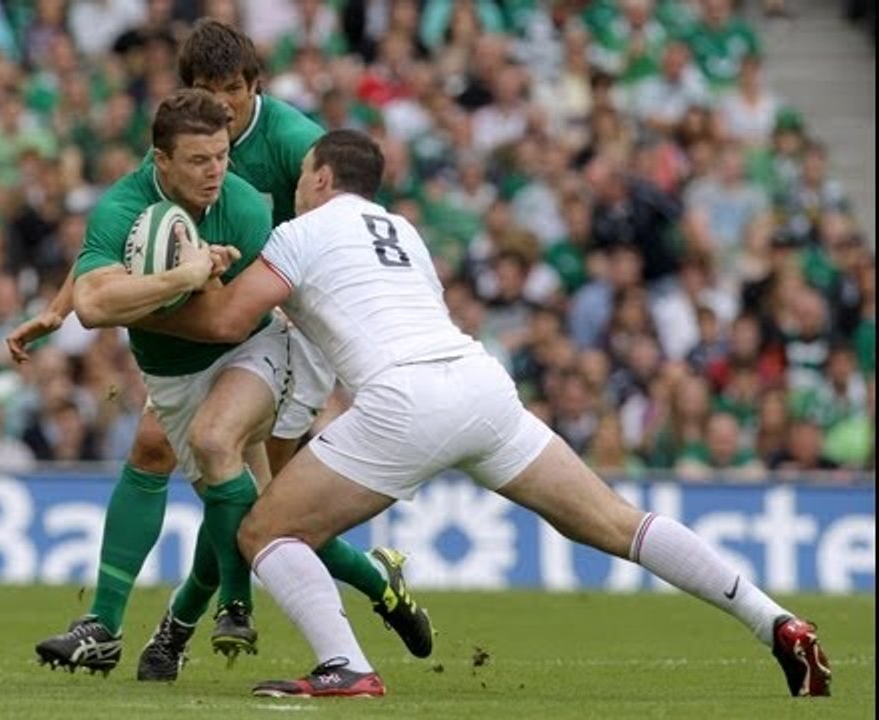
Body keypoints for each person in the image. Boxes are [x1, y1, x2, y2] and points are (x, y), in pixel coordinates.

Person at [145, 129, 831, 699]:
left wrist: (152, 299)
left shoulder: (302, 230)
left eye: (303, 177)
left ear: (322, 178)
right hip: (479, 384)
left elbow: (228, 320)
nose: (297, 187)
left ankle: (344, 666)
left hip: (404, 398)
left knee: (265, 530)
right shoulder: (405, 232)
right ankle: (775, 621)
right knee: (616, 522)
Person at [32, 92, 432, 683]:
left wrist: (163, 294)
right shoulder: (123, 204)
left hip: (263, 347)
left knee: (217, 444)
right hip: (173, 374)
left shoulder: (246, 204)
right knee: (259, 510)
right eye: (199, 160)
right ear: (159, 160)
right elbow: (93, 305)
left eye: (221, 155)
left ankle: (219, 609)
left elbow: (228, 320)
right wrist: (184, 275)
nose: (217, 170)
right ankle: (376, 578)